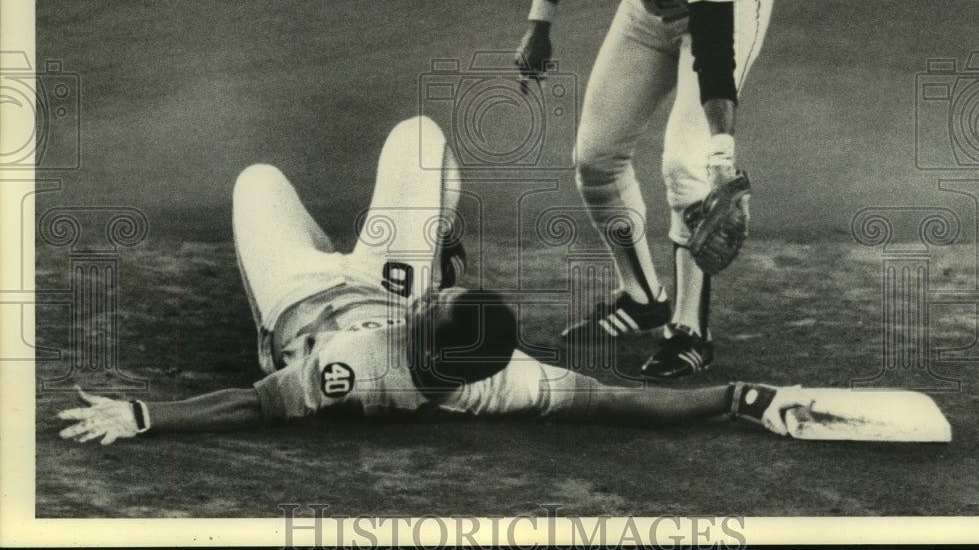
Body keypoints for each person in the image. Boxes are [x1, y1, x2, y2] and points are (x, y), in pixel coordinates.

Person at [56, 117, 807, 443]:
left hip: (296, 301)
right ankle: (438, 233)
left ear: (421, 350)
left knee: (256, 182)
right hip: (373, 282)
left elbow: (248, 407)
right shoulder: (507, 378)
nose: (420, 307)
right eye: (442, 295)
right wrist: (735, 399)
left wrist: (145, 416)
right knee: (420, 140)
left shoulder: (353, 372)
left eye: (426, 311)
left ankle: (323, 251)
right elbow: (628, 408)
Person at [516, 0, 773, 379]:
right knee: (595, 158)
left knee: (684, 169)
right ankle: (642, 298)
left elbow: (712, 53)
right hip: (645, 12)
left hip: (726, 16)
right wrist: (540, 25)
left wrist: (721, 154)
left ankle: (690, 330)